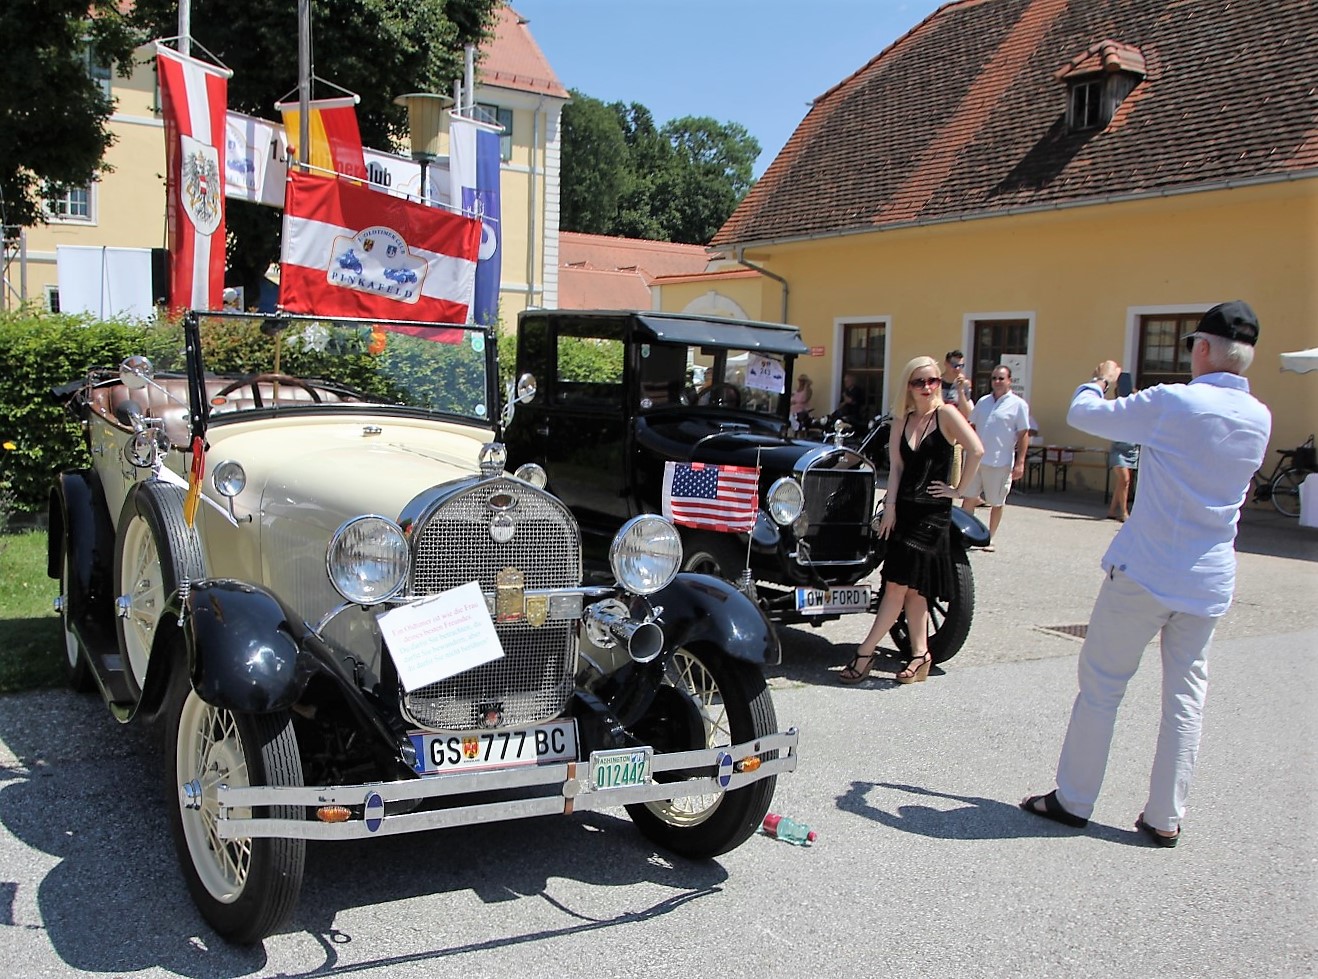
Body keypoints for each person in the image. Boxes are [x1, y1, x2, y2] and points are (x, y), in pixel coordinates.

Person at [1020, 301, 1271, 847]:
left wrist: (1098, 381)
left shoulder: (1175, 401)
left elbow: (1086, 415)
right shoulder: (1260, 416)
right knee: (1186, 697)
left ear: (1203, 348)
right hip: (1208, 576)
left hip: (1148, 568)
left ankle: (1074, 799)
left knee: (1103, 686)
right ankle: (1165, 816)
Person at [840, 356, 983, 684]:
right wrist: (889, 507)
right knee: (915, 592)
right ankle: (920, 656)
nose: (928, 387)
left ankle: (865, 653)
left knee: (894, 587)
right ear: (908, 385)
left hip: (932, 515)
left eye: (933, 381)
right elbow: (897, 469)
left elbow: (976, 449)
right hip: (903, 511)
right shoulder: (901, 421)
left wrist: (958, 490)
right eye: (919, 382)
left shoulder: (946, 414)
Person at [960, 364, 1030, 549]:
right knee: (968, 498)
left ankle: (989, 538)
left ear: (1009, 380)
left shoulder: (1018, 405)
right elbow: (971, 426)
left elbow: (1023, 435)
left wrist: (1021, 462)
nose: (997, 382)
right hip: (976, 461)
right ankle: (965, 536)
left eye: (1001, 378)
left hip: (1000, 462)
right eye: (994, 378)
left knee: (996, 502)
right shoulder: (983, 402)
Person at [940, 350, 974, 485]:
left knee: (954, 476)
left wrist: (960, 391)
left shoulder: (964, 385)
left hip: (955, 436)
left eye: (961, 365)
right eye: (954, 365)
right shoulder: (937, 383)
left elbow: (967, 414)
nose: (958, 369)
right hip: (938, 430)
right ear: (946, 364)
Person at [1106, 440, 1139, 521]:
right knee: (1125, 480)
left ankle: (1111, 511)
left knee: (1122, 483)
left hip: (1132, 452)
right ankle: (1124, 512)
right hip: (1118, 451)